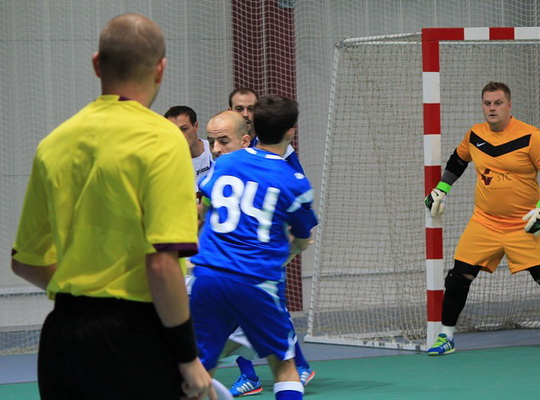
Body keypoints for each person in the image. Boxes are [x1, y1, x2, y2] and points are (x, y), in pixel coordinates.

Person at [10, 13, 214, 400]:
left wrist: (81, 290)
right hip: (135, 339)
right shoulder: (162, 139)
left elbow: (25, 261)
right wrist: (187, 357)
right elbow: (161, 262)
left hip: (63, 340)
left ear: (96, 63)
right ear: (160, 69)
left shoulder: (54, 143)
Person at [425, 81, 540, 356]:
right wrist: (441, 189)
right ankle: (446, 337)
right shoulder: (474, 135)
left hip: (524, 225)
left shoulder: (530, 136)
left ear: (509, 105)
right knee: (457, 277)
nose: (492, 108)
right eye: (487, 103)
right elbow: (457, 161)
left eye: (498, 103)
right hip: (484, 222)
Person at [190, 94, 318, 400]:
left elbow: (203, 212)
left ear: (254, 129)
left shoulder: (225, 163)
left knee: (199, 368)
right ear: (291, 131)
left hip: (207, 277)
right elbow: (302, 239)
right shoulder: (295, 181)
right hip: (255, 280)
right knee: (285, 366)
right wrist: (289, 251)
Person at [228, 87, 303, 172]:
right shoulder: (220, 145)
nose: (245, 114)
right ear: (230, 111)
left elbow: (297, 178)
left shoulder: (277, 144)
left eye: (250, 109)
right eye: (239, 109)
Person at [165, 105, 214, 187]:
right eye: (173, 130)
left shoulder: (214, 150)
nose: (179, 135)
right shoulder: (168, 162)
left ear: (196, 126)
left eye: (184, 129)